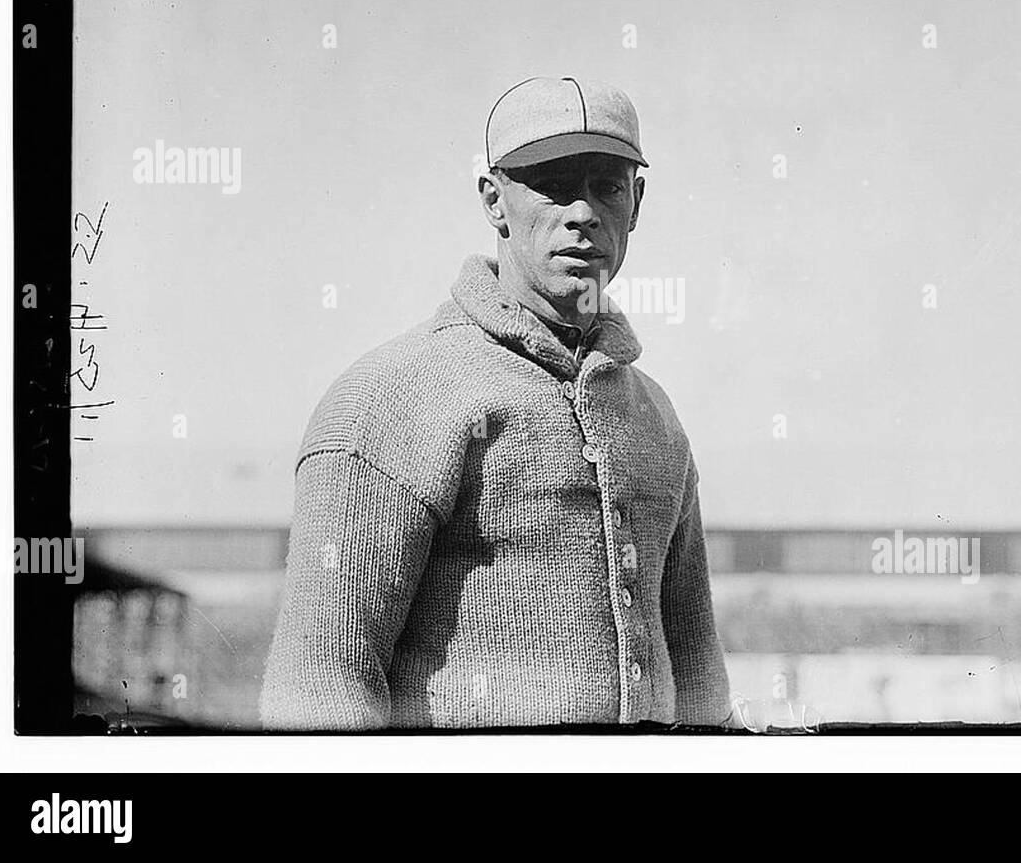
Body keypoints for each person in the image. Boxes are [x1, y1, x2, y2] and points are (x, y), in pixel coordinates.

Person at [260, 76, 731, 729]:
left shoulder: (655, 418)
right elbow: (318, 686)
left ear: (637, 202)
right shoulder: (390, 399)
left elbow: (699, 667)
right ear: (494, 200)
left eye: (606, 186)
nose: (584, 213)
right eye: (554, 185)